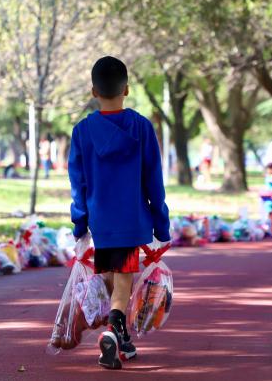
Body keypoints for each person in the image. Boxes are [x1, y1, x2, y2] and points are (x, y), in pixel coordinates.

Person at [68, 56, 170, 370]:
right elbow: (154, 178)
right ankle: (114, 330)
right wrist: (161, 225)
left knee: (114, 275)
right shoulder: (141, 127)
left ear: (93, 91)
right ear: (126, 89)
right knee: (123, 279)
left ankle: (120, 335)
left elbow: (78, 182)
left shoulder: (82, 132)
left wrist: (80, 221)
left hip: (101, 219)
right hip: (132, 218)